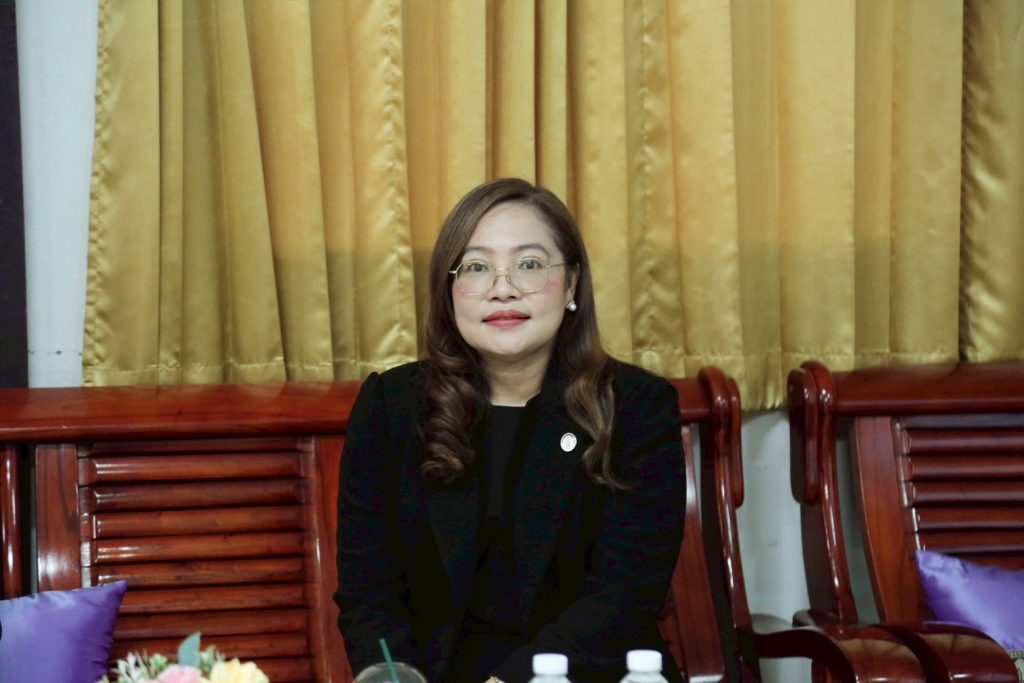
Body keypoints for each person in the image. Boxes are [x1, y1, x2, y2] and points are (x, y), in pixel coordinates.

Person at [335, 178, 686, 683]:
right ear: (449, 290)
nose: (503, 288)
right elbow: (369, 593)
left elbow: (624, 596)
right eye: (477, 267)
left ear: (571, 285)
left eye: (530, 264)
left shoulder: (636, 407)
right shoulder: (392, 407)